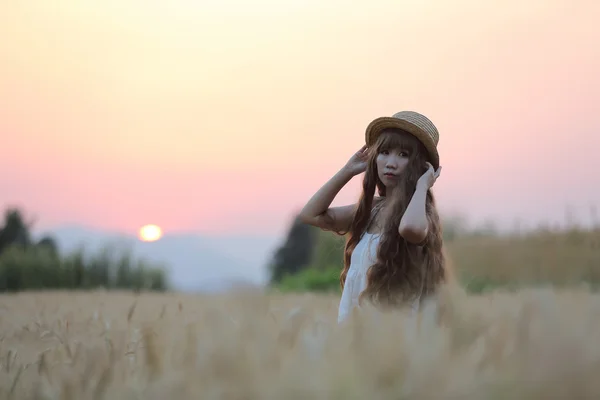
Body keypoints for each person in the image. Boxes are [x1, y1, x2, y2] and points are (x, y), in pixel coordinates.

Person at [299, 111, 450, 323]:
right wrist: (348, 170)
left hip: (390, 340)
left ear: (421, 165)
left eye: (404, 154)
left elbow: (410, 229)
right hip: (354, 336)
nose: (391, 162)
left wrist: (422, 186)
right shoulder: (369, 210)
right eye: (385, 152)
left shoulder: (420, 213)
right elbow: (310, 215)